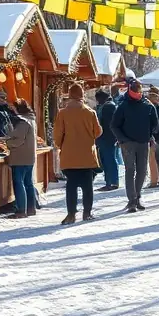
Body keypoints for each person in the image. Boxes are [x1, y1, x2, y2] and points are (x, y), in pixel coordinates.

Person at [54, 82, 102, 223]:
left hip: (69, 156)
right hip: (86, 155)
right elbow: (98, 132)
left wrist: (61, 145)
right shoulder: (90, 112)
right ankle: (87, 213)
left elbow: (57, 136)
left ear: (69, 96)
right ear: (82, 95)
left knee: (71, 186)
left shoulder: (62, 113)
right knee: (88, 187)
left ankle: (71, 214)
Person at [111, 77, 159, 213]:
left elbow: (155, 124)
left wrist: (150, 133)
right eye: (135, 92)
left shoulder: (147, 105)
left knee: (142, 171)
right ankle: (132, 200)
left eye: (139, 92)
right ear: (130, 91)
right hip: (128, 143)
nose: (138, 95)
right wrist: (122, 139)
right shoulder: (123, 105)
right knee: (130, 170)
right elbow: (114, 125)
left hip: (143, 142)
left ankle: (137, 196)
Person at [5, 100, 39, 218]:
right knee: (28, 182)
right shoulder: (31, 119)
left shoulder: (23, 122)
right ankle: (31, 208)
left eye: (14, 108)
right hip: (29, 156)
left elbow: (18, 140)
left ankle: (21, 210)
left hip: (20, 157)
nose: (12, 110)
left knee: (19, 182)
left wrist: (7, 142)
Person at [94, 89, 120, 192]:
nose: (97, 102)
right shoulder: (107, 106)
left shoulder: (108, 107)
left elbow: (108, 125)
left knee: (109, 160)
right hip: (105, 138)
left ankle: (112, 182)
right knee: (106, 160)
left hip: (107, 138)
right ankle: (109, 182)